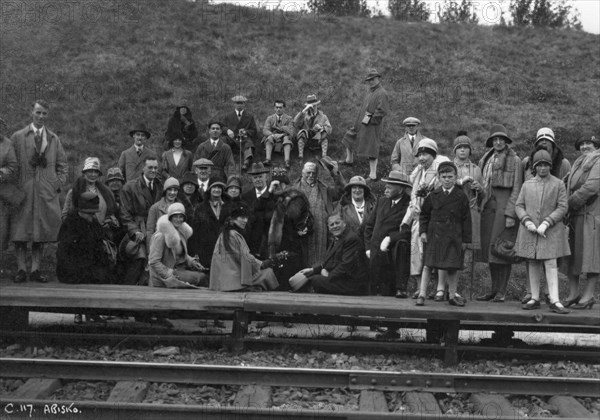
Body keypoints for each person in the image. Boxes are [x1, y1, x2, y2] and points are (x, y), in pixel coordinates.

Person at [11, 100, 68, 283]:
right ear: (31, 113)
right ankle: (21, 269)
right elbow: (10, 164)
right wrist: (13, 188)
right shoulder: (18, 137)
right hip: (23, 193)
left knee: (40, 234)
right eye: (38, 113)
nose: (41, 116)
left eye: (44, 113)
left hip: (45, 193)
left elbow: (63, 165)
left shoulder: (53, 139)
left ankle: (35, 270)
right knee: (20, 232)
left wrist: (56, 185)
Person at [515, 150, 570, 314]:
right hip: (530, 231)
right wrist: (527, 221)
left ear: (550, 167)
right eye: (539, 165)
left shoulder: (558, 184)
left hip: (551, 231)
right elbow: (518, 205)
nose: (543, 168)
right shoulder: (527, 184)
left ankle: (555, 299)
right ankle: (534, 297)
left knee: (551, 263)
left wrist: (547, 222)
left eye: (546, 165)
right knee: (532, 261)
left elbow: (562, 206)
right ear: (534, 167)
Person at [477, 124, 523, 303]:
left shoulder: (515, 160)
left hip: (503, 211)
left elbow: (517, 188)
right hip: (487, 209)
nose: (498, 142)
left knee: (501, 250)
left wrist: (511, 214)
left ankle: (501, 291)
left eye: (501, 139)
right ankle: (493, 289)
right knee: (490, 251)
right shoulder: (485, 159)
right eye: (495, 139)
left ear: (506, 141)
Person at [417, 162, 472, 307]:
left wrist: (466, 240)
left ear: (455, 177)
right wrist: (423, 231)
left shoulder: (461, 197)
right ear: (439, 178)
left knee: (452, 266)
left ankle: (452, 295)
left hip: (454, 237)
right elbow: (424, 215)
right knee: (428, 265)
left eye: (450, 177)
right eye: (444, 177)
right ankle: (422, 294)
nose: (447, 180)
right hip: (434, 235)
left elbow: (467, 219)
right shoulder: (433, 195)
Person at [401, 139, 450, 297]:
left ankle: (439, 289)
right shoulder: (418, 173)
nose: (422, 158)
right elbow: (413, 197)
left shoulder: (439, 172)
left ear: (433, 155)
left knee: (435, 254)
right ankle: (419, 287)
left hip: (435, 220)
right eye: (420, 155)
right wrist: (407, 219)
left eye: (425, 154)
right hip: (418, 219)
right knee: (417, 254)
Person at [57, 192, 113, 322]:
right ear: (80, 211)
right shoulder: (70, 224)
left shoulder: (94, 223)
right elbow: (63, 254)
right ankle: (80, 311)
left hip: (89, 266)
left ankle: (92, 312)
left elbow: (100, 247)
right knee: (85, 278)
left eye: (93, 213)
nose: (92, 216)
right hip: (71, 268)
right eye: (89, 213)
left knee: (102, 276)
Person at [561, 135, 600, 310]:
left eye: (588, 143)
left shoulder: (598, 161)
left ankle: (589, 296)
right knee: (572, 255)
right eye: (582, 143)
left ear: (595, 145)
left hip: (591, 215)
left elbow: (591, 187)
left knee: (592, 256)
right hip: (576, 216)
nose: (585, 146)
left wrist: (568, 204)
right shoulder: (578, 163)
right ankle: (573, 293)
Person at [210, 203, 279, 292]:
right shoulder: (233, 235)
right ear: (232, 219)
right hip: (233, 281)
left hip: (226, 278)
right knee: (268, 273)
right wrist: (261, 264)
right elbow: (244, 257)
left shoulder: (227, 234)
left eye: (246, 218)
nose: (245, 220)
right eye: (242, 218)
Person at [364, 171, 412, 297]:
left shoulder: (410, 205)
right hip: (375, 252)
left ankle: (399, 290)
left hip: (392, 254)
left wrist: (391, 238)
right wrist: (368, 247)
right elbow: (369, 225)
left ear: (401, 189)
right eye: (386, 187)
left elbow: (409, 230)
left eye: (389, 187)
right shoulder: (382, 201)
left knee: (388, 295)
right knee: (374, 293)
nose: (385, 190)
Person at [294, 213, 367, 295]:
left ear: (344, 223)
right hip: (343, 279)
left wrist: (328, 276)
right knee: (312, 278)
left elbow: (345, 265)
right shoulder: (336, 239)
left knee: (316, 280)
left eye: (337, 223)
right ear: (328, 228)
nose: (335, 226)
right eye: (331, 225)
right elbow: (327, 261)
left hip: (353, 283)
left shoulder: (351, 239)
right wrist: (313, 270)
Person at [292, 160, 345, 266]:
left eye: (314, 173)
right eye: (308, 172)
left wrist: (335, 174)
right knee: (300, 262)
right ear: (302, 173)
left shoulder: (324, 189)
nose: (311, 175)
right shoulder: (293, 190)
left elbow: (341, 191)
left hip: (321, 232)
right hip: (300, 233)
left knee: (320, 263)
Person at [119, 157, 163, 285]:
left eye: (155, 168)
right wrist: (135, 231)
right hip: (139, 229)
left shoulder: (160, 186)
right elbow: (124, 213)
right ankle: (129, 290)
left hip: (156, 228)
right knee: (139, 257)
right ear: (143, 169)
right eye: (150, 167)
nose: (153, 170)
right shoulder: (130, 187)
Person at [268, 167, 312, 290]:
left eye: (281, 183)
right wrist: (270, 193)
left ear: (286, 183)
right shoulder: (270, 197)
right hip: (272, 245)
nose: (278, 186)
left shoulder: (295, 197)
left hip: (291, 244)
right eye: (275, 183)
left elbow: (294, 216)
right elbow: (261, 216)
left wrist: (280, 202)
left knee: (289, 281)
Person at [343, 68, 389, 182]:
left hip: (373, 125)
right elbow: (363, 108)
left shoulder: (382, 93)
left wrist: (372, 120)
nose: (370, 82)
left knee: (372, 148)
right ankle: (349, 160)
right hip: (361, 123)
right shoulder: (370, 91)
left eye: (372, 79)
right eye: (369, 80)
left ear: (378, 78)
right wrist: (359, 122)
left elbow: (382, 111)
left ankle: (373, 175)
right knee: (349, 137)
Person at [148, 202, 208, 288]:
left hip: (179, 270)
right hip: (164, 276)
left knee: (205, 276)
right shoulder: (161, 236)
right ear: (170, 218)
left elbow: (180, 254)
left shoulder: (180, 232)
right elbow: (153, 261)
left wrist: (192, 261)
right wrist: (169, 274)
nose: (178, 219)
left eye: (181, 217)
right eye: (175, 216)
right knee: (201, 278)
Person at [62, 157, 120, 243]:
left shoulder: (106, 192)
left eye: (95, 172)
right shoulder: (74, 192)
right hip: (80, 236)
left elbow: (110, 211)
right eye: (90, 171)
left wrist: (110, 220)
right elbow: (65, 215)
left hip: (102, 235)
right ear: (84, 173)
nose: (93, 175)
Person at [452, 132, 484, 257]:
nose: (463, 150)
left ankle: (467, 275)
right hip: (453, 212)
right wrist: (460, 182)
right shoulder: (449, 167)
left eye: (466, 147)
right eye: (459, 147)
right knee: (453, 248)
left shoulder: (476, 169)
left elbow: (484, 195)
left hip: (472, 211)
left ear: (470, 150)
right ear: (455, 150)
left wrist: (480, 189)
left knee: (469, 252)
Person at [189, 177, 230, 269]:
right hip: (205, 250)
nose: (217, 190)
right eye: (214, 187)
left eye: (219, 187)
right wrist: (195, 253)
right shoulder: (200, 208)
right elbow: (195, 232)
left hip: (224, 249)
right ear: (209, 189)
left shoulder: (228, 206)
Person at [243, 163, 276, 257]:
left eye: (260, 176)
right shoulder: (246, 197)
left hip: (269, 241)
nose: (258, 179)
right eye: (255, 177)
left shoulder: (274, 195)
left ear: (266, 177)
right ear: (251, 179)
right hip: (251, 241)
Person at [219, 95, 258, 171]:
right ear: (234, 104)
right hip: (231, 138)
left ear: (244, 104)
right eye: (237, 103)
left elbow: (254, 130)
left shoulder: (249, 116)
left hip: (243, 138)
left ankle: (246, 162)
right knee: (222, 140)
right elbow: (222, 127)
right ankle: (222, 160)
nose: (239, 105)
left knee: (248, 143)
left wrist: (246, 132)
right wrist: (228, 130)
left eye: (241, 103)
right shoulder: (228, 116)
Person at [335, 175, 377, 245]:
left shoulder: (373, 206)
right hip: (349, 246)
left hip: (369, 246)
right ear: (350, 190)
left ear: (364, 190)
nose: (357, 190)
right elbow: (335, 225)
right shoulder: (342, 206)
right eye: (354, 188)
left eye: (360, 187)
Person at [294, 95, 332, 160]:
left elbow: (329, 129)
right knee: (302, 132)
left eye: (314, 105)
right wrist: (303, 111)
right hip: (306, 138)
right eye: (311, 106)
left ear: (317, 105)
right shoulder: (304, 115)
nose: (313, 108)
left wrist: (321, 127)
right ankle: (300, 156)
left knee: (323, 134)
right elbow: (295, 122)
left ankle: (324, 156)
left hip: (317, 139)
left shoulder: (323, 116)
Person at [0, 120, 18, 253]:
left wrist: (1, 173)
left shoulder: (7, 144)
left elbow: (12, 167)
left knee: (2, 227)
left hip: (2, 191)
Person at [146, 177, 181, 246]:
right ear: (165, 191)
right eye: (170, 190)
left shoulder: (180, 207)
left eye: (175, 190)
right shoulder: (155, 208)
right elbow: (150, 231)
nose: (172, 193)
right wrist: (150, 252)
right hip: (159, 246)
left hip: (176, 246)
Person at [262, 100, 295, 168]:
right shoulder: (270, 118)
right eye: (277, 107)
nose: (278, 109)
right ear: (274, 108)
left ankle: (287, 161)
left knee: (287, 140)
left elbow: (291, 131)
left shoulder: (289, 118)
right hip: (273, 135)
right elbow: (265, 130)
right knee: (269, 138)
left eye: (280, 107)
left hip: (284, 136)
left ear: (284, 108)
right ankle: (268, 159)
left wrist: (282, 134)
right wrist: (272, 135)